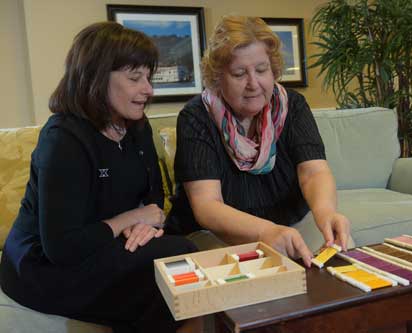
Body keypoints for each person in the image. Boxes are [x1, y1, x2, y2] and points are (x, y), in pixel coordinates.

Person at [0, 22, 201, 333]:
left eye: (148, 77)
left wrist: (146, 224)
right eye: (135, 78)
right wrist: (133, 217)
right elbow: (62, 247)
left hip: (103, 244)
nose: (148, 90)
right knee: (179, 258)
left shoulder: (136, 125)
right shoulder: (63, 140)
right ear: (94, 78)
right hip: (45, 266)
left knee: (176, 265)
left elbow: (153, 195)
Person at [166, 16, 352, 267]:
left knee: (343, 253)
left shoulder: (293, 106)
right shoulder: (196, 116)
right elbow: (207, 206)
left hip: (289, 222)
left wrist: (326, 212)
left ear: (273, 69)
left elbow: (313, 171)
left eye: (262, 70)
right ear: (219, 77)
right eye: (239, 73)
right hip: (218, 234)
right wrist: (266, 232)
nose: (253, 84)